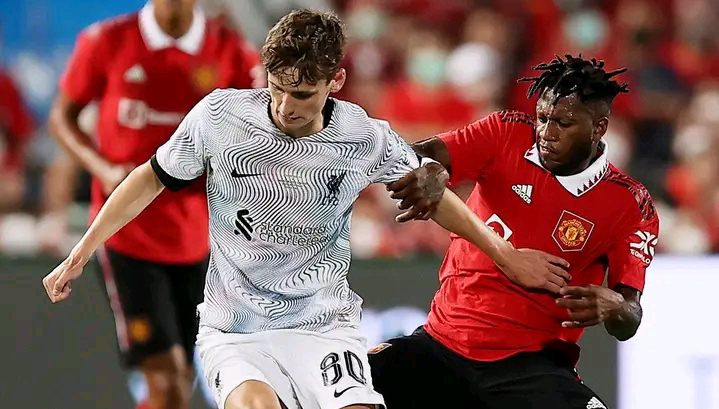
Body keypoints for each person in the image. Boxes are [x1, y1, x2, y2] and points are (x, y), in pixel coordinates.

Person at [43, 10, 573, 409]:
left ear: (334, 82)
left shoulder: (362, 136)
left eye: (301, 93)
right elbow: (148, 178)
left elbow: (434, 198)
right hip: (236, 331)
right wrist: (80, 251)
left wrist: (507, 256)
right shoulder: (221, 116)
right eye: (276, 88)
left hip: (323, 326)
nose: (284, 106)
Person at [371, 55, 660, 409]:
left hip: (531, 368)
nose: (547, 133)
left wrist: (616, 308)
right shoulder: (505, 132)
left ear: (599, 128)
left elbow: (629, 318)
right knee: (337, 391)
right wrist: (430, 168)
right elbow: (416, 156)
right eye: (543, 118)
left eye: (564, 123)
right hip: (439, 346)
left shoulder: (631, 205)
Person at [48, 1, 263, 408]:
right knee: (166, 380)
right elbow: (62, 117)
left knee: (182, 379)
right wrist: (102, 168)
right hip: (129, 235)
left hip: (202, 239)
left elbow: (258, 130)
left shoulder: (230, 48)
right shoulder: (107, 41)